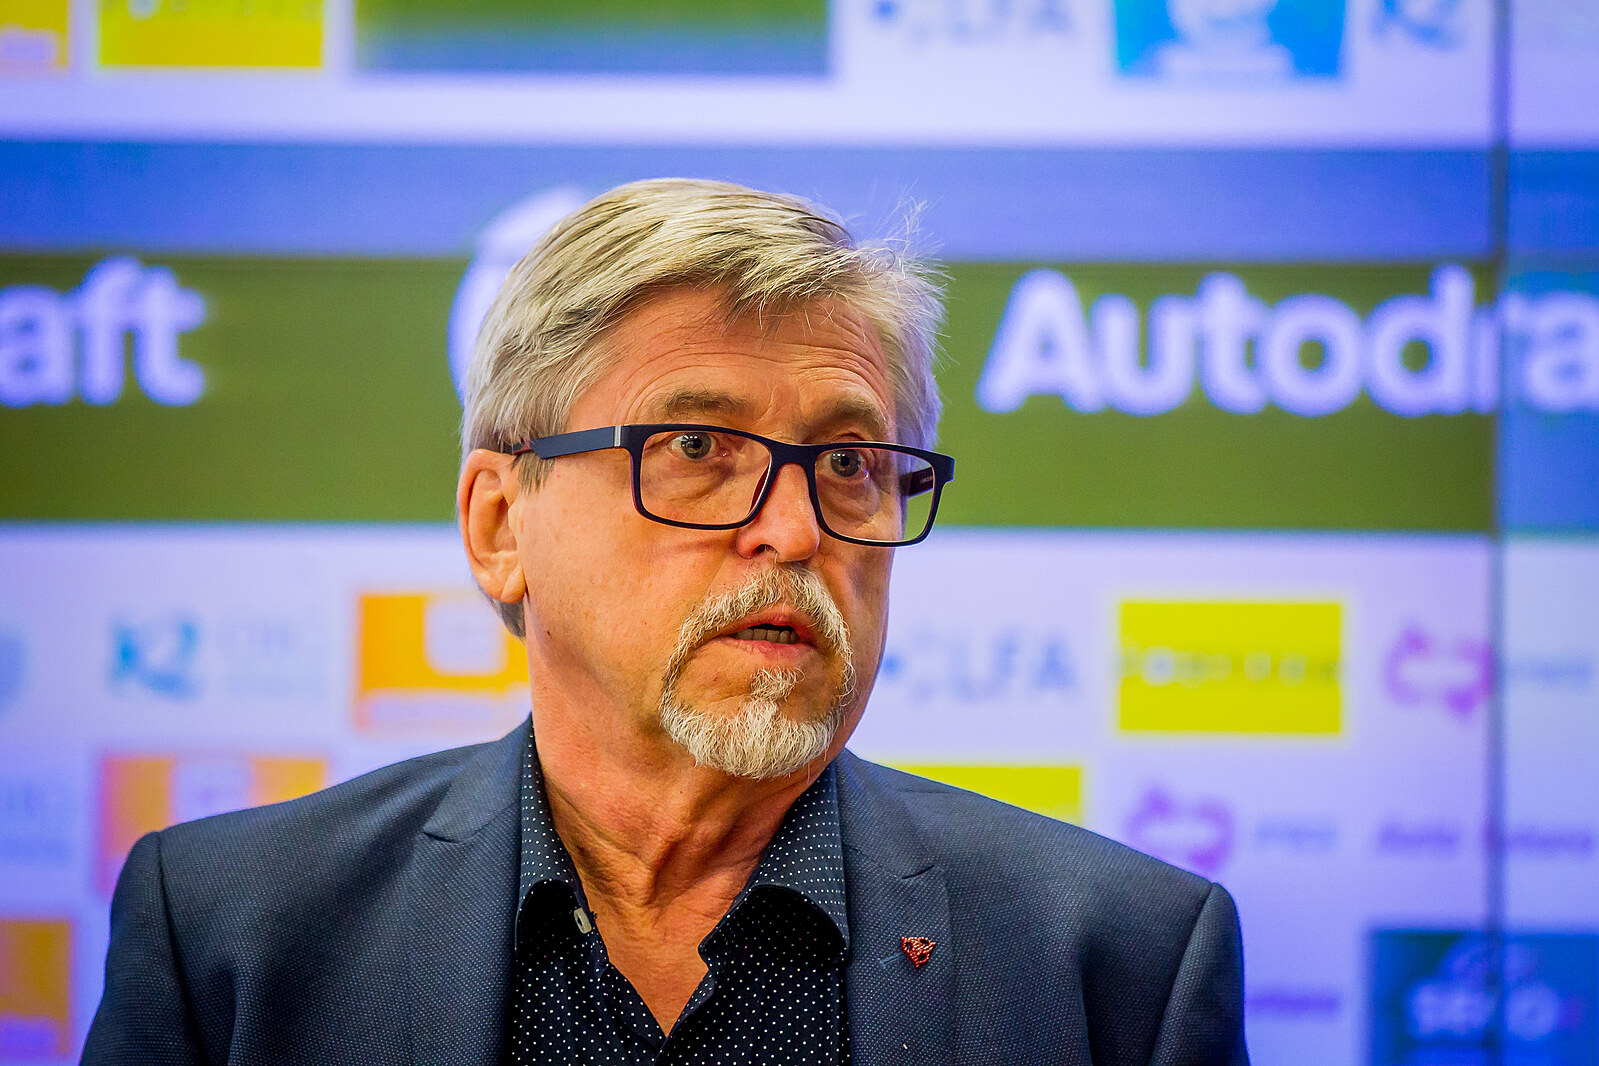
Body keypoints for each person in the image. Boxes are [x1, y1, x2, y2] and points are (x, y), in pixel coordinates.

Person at [83, 178, 1248, 1065]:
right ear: (499, 523)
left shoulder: (1119, 962)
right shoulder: (235, 934)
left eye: (849, 462)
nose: (794, 529)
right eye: (696, 447)